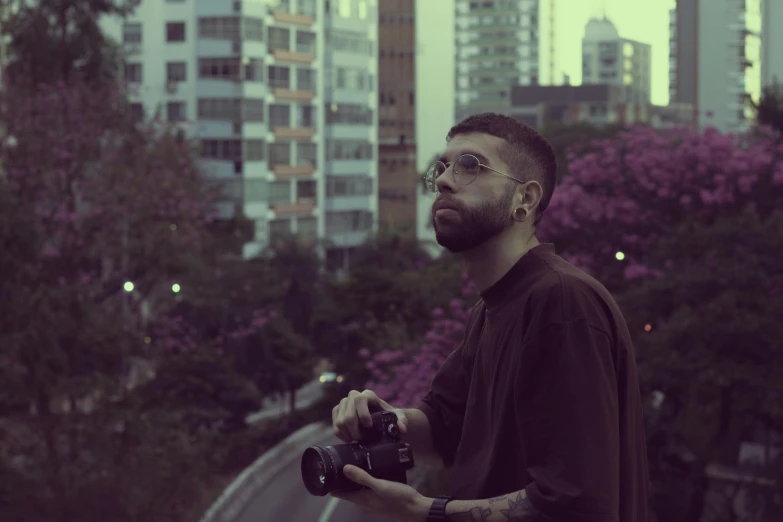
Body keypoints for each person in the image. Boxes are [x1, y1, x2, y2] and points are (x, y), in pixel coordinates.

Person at [331, 113, 649, 522]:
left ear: (525, 199)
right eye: (442, 167)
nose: (444, 180)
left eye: (470, 166)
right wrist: (384, 421)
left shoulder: (563, 302)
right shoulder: (492, 309)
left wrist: (425, 511)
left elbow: (575, 502)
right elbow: (444, 431)